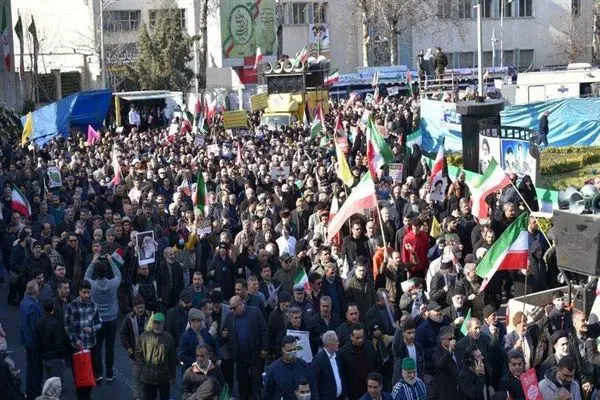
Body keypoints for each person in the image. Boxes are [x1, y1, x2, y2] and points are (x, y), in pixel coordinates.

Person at [221, 295, 267, 400]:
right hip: (239, 356)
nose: (232, 310)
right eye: (230, 308)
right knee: (242, 384)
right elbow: (224, 333)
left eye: (234, 308)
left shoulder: (254, 312)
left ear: (241, 304)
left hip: (255, 354)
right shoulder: (229, 317)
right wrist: (224, 334)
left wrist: (264, 348)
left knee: (256, 383)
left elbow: (264, 330)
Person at [84, 254, 121, 382]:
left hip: (97, 319)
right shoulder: (112, 284)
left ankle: (98, 373)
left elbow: (86, 277)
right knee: (110, 347)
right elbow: (118, 274)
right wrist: (111, 261)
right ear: (106, 272)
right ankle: (110, 374)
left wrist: (93, 262)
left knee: (97, 346)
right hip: (111, 319)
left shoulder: (92, 285)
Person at [65, 280, 103, 400]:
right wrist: (75, 339)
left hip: (91, 345)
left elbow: (99, 322)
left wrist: (92, 329)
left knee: (89, 375)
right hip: (77, 347)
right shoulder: (71, 306)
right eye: (84, 292)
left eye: (88, 293)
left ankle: (86, 396)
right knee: (79, 377)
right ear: (79, 292)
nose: (86, 295)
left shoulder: (94, 305)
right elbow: (67, 325)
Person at [135, 312, 177, 400]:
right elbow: (138, 355)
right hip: (148, 378)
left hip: (164, 378)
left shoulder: (169, 338)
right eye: (155, 322)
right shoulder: (143, 337)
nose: (157, 325)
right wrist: (142, 370)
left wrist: (173, 376)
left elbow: (172, 359)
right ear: (152, 323)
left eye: (159, 323)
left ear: (163, 323)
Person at [264, 335, 316, 400]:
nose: (292, 353)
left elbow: (312, 386)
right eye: (289, 350)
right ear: (282, 349)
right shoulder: (273, 369)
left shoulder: (303, 364)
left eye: (294, 349)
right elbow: (268, 393)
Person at [120, 294, 151, 400]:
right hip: (135, 353)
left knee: (148, 376)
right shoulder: (129, 318)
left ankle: (147, 395)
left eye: (142, 307)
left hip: (149, 352)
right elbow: (123, 334)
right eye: (138, 308)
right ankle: (137, 397)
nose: (141, 310)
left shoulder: (150, 316)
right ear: (134, 308)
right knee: (137, 377)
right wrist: (128, 347)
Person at [339, 323, 378, 400]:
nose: (360, 340)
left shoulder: (369, 345)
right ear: (351, 337)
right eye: (357, 338)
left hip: (371, 388)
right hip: (355, 391)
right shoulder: (344, 352)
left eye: (362, 337)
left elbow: (376, 364)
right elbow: (342, 375)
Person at [20, 280, 43, 400]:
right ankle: (36, 393)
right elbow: (36, 327)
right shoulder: (34, 306)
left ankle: (29, 393)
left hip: (27, 341)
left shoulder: (23, 302)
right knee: (36, 369)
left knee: (29, 368)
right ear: (35, 291)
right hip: (34, 343)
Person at [35, 298, 65, 382]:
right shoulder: (55, 323)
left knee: (47, 382)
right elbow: (58, 342)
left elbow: (37, 340)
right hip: (54, 357)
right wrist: (61, 355)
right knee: (56, 382)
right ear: (53, 308)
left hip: (44, 356)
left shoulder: (39, 322)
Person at [311, 330, 346, 400]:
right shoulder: (318, 360)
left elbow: (341, 376)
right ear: (329, 344)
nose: (338, 343)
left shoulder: (338, 356)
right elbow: (314, 383)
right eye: (336, 341)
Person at [429, 326, 459, 400]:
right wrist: (449, 351)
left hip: (458, 388)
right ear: (442, 339)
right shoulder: (436, 351)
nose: (453, 341)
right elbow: (439, 364)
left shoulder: (458, 349)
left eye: (454, 338)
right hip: (446, 390)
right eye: (450, 339)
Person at [392, 318, 424, 384]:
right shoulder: (400, 348)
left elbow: (421, 367)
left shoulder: (418, 347)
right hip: (402, 384)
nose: (412, 335)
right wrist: (400, 328)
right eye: (409, 333)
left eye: (413, 332)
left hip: (416, 382)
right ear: (403, 333)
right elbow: (395, 344)